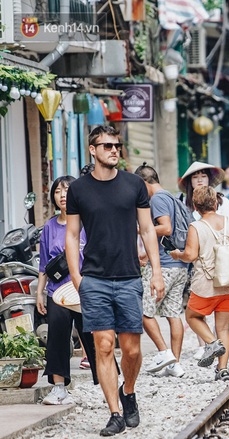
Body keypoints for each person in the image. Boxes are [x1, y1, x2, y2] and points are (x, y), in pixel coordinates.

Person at [65, 125, 165, 436]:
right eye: (106, 145)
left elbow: (148, 230)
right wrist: (76, 276)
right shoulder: (78, 190)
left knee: (132, 350)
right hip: (93, 279)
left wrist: (157, 272)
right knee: (103, 346)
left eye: (116, 145)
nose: (113, 150)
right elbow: (71, 235)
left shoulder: (134, 184)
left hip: (128, 277)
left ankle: (129, 391)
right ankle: (115, 413)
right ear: (92, 149)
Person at [170, 186, 229, 381]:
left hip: (207, 285)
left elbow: (190, 255)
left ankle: (211, 343)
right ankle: (222, 369)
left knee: (192, 317)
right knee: (223, 328)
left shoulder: (197, 227)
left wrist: (177, 254)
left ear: (195, 207)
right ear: (217, 203)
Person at [37, 176, 98, 405]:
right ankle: (59, 388)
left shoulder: (87, 223)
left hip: (85, 290)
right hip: (57, 292)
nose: (63, 195)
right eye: (58, 191)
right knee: (57, 339)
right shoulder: (49, 227)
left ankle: (109, 385)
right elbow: (44, 263)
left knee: (95, 338)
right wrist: (40, 292)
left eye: (67, 190)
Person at [135, 164, 189, 378]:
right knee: (173, 314)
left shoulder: (157, 199)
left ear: (144, 183)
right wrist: (148, 253)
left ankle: (164, 353)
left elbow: (166, 228)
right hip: (179, 265)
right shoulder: (173, 197)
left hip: (164, 266)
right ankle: (174, 364)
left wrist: (140, 230)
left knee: (142, 310)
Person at [178, 161, 229, 359]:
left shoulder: (222, 201)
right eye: (195, 176)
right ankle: (205, 345)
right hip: (193, 262)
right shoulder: (183, 204)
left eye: (203, 175)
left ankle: (214, 347)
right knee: (196, 308)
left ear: (209, 179)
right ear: (190, 181)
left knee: (217, 312)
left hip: (220, 262)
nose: (199, 179)